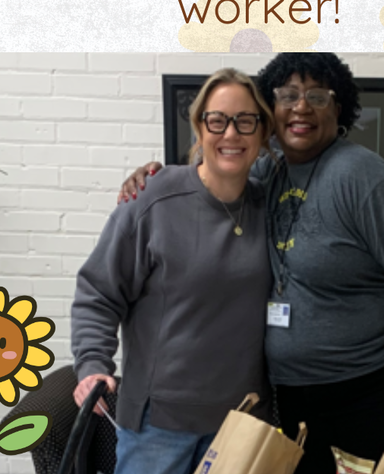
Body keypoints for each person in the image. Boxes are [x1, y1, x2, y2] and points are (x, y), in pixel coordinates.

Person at [121, 53, 384, 473]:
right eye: (287, 95)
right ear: (271, 111)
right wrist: (155, 177)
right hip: (294, 394)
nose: (301, 106)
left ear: (338, 108)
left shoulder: (364, 177)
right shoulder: (271, 174)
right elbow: (216, 178)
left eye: (317, 96)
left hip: (370, 389)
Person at [72, 68, 274, 474]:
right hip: (157, 425)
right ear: (199, 127)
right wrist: (93, 365)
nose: (231, 134)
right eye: (217, 120)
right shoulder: (154, 199)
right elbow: (98, 294)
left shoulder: (272, 205)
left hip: (244, 423)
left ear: (262, 132)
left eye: (245, 121)